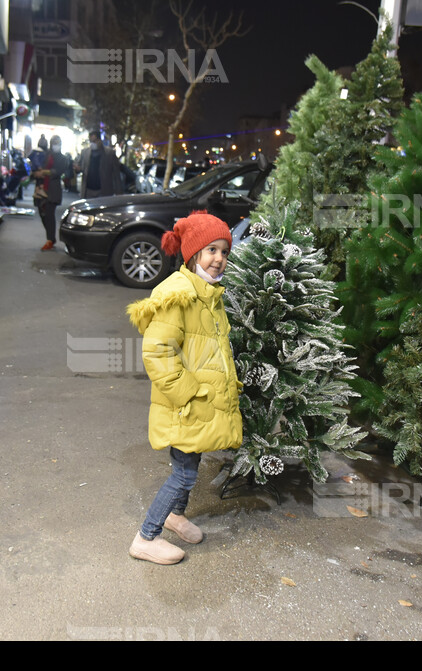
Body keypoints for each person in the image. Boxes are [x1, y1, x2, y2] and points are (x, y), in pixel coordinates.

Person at [125, 211, 242, 564]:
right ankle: (147, 536)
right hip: (186, 403)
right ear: (193, 255)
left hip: (202, 403)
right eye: (211, 250)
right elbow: (157, 351)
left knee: (190, 460)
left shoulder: (209, 294)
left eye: (224, 251)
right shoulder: (180, 294)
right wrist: (187, 393)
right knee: (184, 473)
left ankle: (176, 516)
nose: (219, 258)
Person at [34, 135, 67, 250]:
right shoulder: (46, 155)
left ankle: (50, 239)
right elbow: (37, 167)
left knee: (49, 214)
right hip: (41, 188)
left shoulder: (63, 158)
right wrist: (38, 172)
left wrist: (43, 172)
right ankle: (50, 237)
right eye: (54, 143)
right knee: (42, 213)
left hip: (53, 190)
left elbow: (57, 171)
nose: (55, 145)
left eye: (57, 143)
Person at [78, 130, 123, 199]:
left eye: (94, 141)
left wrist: (118, 192)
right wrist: (78, 169)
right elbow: (80, 167)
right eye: (91, 141)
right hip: (88, 191)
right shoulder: (85, 152)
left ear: (100, 140)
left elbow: (116, 174)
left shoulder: (109, 153)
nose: (92, 144)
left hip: (103, 191)